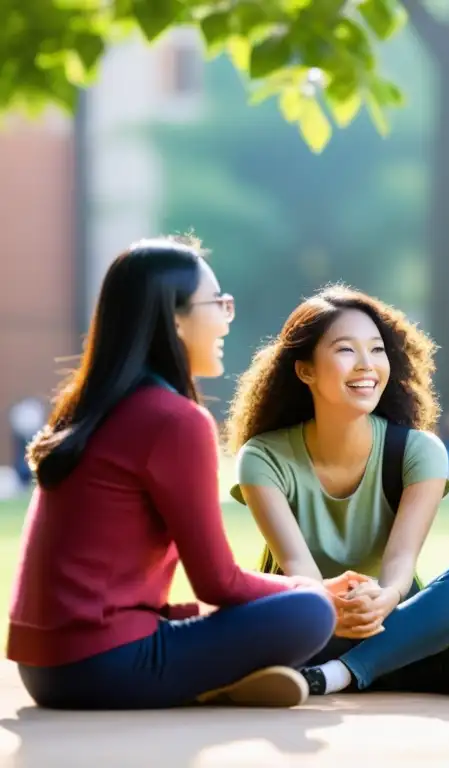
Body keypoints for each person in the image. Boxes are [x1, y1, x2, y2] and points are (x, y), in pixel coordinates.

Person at [7, 237, 338, 710]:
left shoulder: (89, 407)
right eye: (217, 304)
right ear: (175, 319)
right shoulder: (173, 419)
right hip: (101, 667)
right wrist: (311, 588)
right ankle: (215, 684)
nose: (227, 317)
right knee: (310, 613)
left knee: (279, 606)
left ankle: (221, 682)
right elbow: (218, 583)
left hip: (43, 668)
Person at [226, 285, 449, 697]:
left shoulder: (419, 451)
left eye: (376, 349)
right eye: (346, 350)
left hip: (391, 616)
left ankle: (335, 675)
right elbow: (297, 565)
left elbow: (401, 560)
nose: (367, 365)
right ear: (305, 370)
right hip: (308, 618)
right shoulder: (262, 457)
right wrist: (332, 608)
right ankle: (384, 664)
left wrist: (385, 598)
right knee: (443, 666)